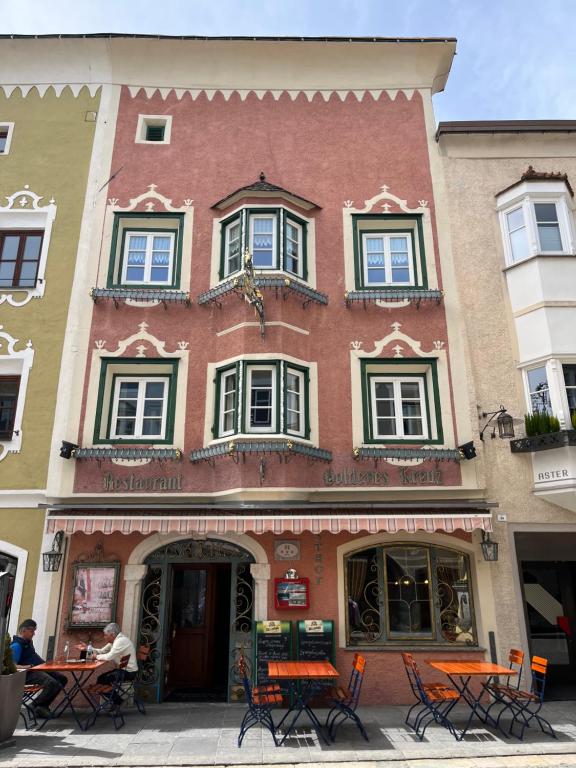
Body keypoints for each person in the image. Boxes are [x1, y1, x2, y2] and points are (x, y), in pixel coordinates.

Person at [10, 619, 67, 720]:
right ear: (24, 631)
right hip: (28, 674)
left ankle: (42, 706)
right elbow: (12, 666)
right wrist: (28, 666)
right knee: (51, 683)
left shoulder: (28, 642)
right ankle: (35, 705)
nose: (34, 634)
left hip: (39, 669)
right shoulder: (16, 646)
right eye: (32, 631)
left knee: (62, 679)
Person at [76, 623, 138, 705]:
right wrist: (87, 648)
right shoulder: (115, 641)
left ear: (112, 635)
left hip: (129, 673)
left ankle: (117, 701)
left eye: (105, 635)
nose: (104, 637)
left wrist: (95, 657)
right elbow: (102, 651)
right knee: (102, 678)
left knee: (102, 679)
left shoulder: (120, 641)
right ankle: (116, 700)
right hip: (124, 670)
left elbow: (109, 656)